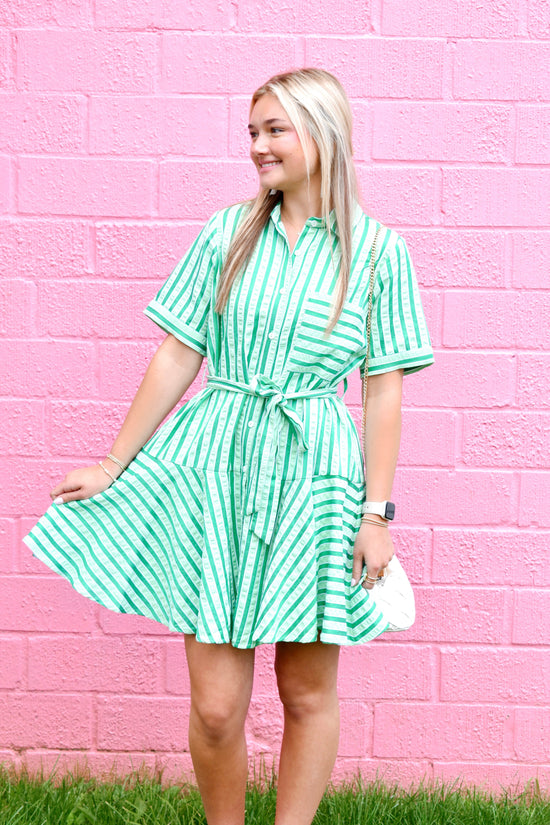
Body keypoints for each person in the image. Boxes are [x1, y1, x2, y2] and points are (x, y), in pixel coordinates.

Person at [24, 68, 433, 825]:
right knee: (216, 708)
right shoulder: (226, 232)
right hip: (216, 466)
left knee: (307, 691)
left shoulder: (378, 253)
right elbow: (180, 352)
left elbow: (384, 389)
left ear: (324, 135)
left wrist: (376, 512)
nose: (257, 147)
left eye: (275, 130)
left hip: (315, 474)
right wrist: (115, 462)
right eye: (253, 132)